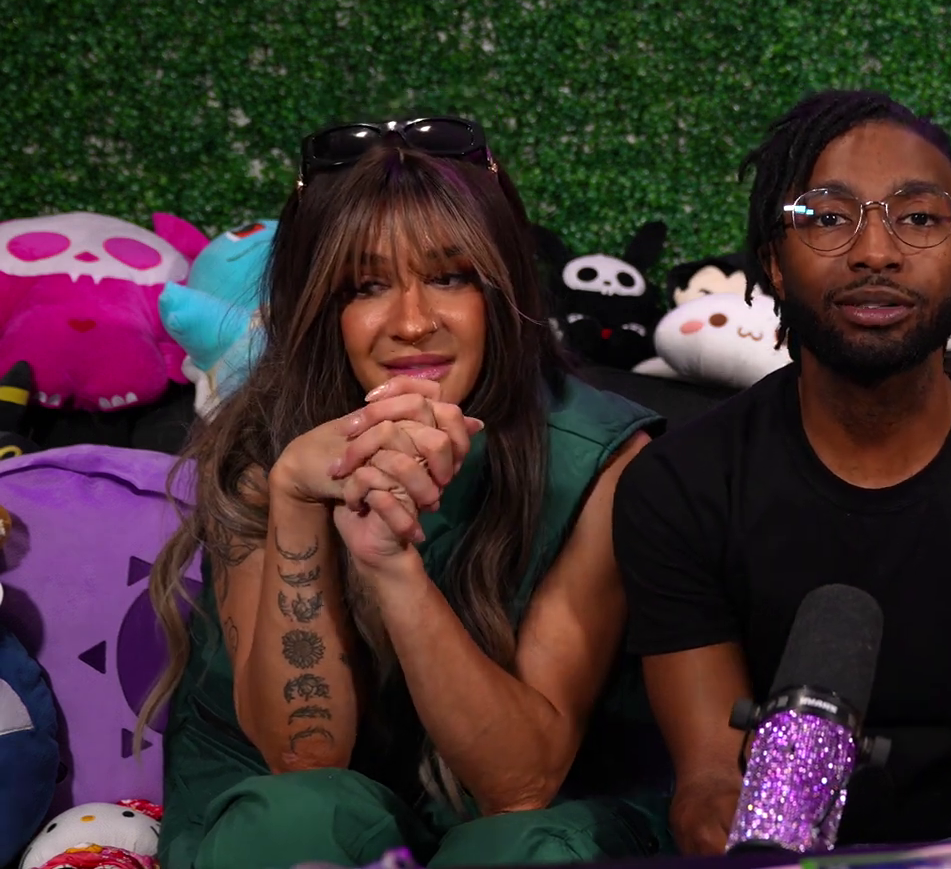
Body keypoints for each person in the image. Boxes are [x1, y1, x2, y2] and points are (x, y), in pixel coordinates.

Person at [614, 90, 951, 851]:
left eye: (920, 218)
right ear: (774, 262)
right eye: (829, 217)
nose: (875, 252)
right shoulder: (680, 485)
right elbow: (709, 787)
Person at [142, 117, 667, 868]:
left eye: (451, 276)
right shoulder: (266, 444)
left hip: (524, 822)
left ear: (502, 291)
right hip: (290, 823)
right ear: (321, 308)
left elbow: (519, 786)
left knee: (525, 853)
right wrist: (297, 502)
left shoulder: (599, 459)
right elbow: (303, 761)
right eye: (366, 286)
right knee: (293, 822)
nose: (413, 323)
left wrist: (392, 566)